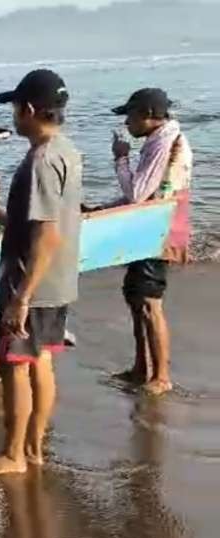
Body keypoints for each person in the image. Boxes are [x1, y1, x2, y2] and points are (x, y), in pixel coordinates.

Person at [0, 69, 83, 477]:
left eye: (16, 108)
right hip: (58, 283)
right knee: (41, 363)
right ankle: (34, 448)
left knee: (15, 366)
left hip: (31, 285)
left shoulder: (40, 159)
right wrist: (6, 214)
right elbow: (47, 220)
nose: (14, 116)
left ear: (31, 109)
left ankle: (13, 454)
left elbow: (47, 236)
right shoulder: (67, 150)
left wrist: (20, 297)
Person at [108, 88, 193, 396]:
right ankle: (142, 368)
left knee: (149, 302)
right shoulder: (166, 138)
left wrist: (121, 158)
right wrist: (105, 206)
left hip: (156, 231)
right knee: (136, 297)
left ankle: (161, 376)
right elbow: (148, 191)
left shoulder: (161, 143)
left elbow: (138, 193)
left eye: (129, 117)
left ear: (146, 115)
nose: (127, 124)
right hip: (151, 227)